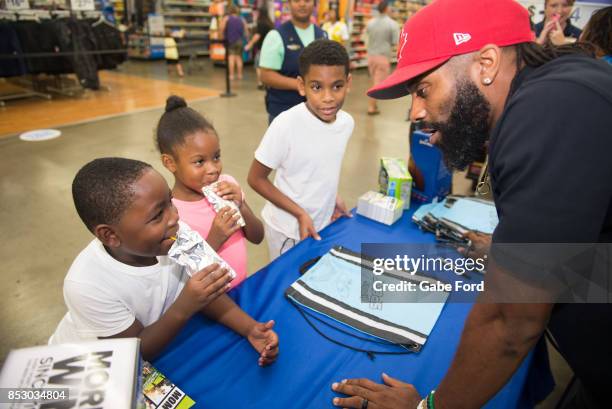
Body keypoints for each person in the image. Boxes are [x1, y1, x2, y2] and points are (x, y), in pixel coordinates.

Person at [330, 0, 612, 408]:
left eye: (423, 90)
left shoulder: (547, 112)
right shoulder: (551, 91)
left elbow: (510, 320)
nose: (416, 112)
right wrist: (509, 250)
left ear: (486, 63)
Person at [50, 157, 278, 365]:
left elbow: (206, 292)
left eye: (170, 201)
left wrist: (250, 328)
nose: (175, 216)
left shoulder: (173, 234)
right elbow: (134, 354)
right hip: (89, 367)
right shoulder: (87, 285)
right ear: (110, 235)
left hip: (159, 336)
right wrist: (185, 305)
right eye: (157, 215)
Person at [248, 39, 354, 260]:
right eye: (316, 87)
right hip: (286, 228)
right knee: (286, 284)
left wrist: (333, 196)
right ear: (301, 86)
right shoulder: (285, 125)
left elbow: (321, 166)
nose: (328, 97)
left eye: (337, 86)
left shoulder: (346, 123)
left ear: (348, 83)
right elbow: (256, 179)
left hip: (321, 221)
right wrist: (299, 213)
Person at [156, 95, 264, 288]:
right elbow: (182, 277)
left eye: (216, 157)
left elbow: (257, 237)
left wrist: (241, 205)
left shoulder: (227, 185)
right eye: (199, 161)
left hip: (243, 287)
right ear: (170, 162)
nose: (213, 169)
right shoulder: (172, 214)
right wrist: (216, 237)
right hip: (210, 302)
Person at [258, 0, 327, 123]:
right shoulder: (276, 36)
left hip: (317, 112)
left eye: (307, 0)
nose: (302, 4)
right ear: (288, 4)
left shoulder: (323, 35)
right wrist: (300, 85)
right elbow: (265, 75)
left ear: (315, 4)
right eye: (296, 0)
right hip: (284, 112)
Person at [365, 1, 399, 115]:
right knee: (377, 83)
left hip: (370, 56)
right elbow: (395, 42)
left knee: (373, 80)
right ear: (386, 9)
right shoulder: (392, 24)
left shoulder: (370, 22)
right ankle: (371, 107)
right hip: (383, 57)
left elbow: (366, 36)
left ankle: (374, 105)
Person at [245, 7, 275, 90]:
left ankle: (261, 83)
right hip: (270, 48)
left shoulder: (261, 23)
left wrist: (249, 45)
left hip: (262, 48)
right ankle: (268, 83)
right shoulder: (270, 23)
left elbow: (257, 36)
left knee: (258, 66)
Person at [220, 5, 249, 80]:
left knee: (231, 58)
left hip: (230, 40)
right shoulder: (242, 19)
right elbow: (246, 31)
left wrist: (221, 37)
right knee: (239, 58)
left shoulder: (226, 18)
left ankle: (231, 75)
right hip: (240, 41)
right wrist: (247, 40)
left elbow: (222, 29)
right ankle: (240, 75)